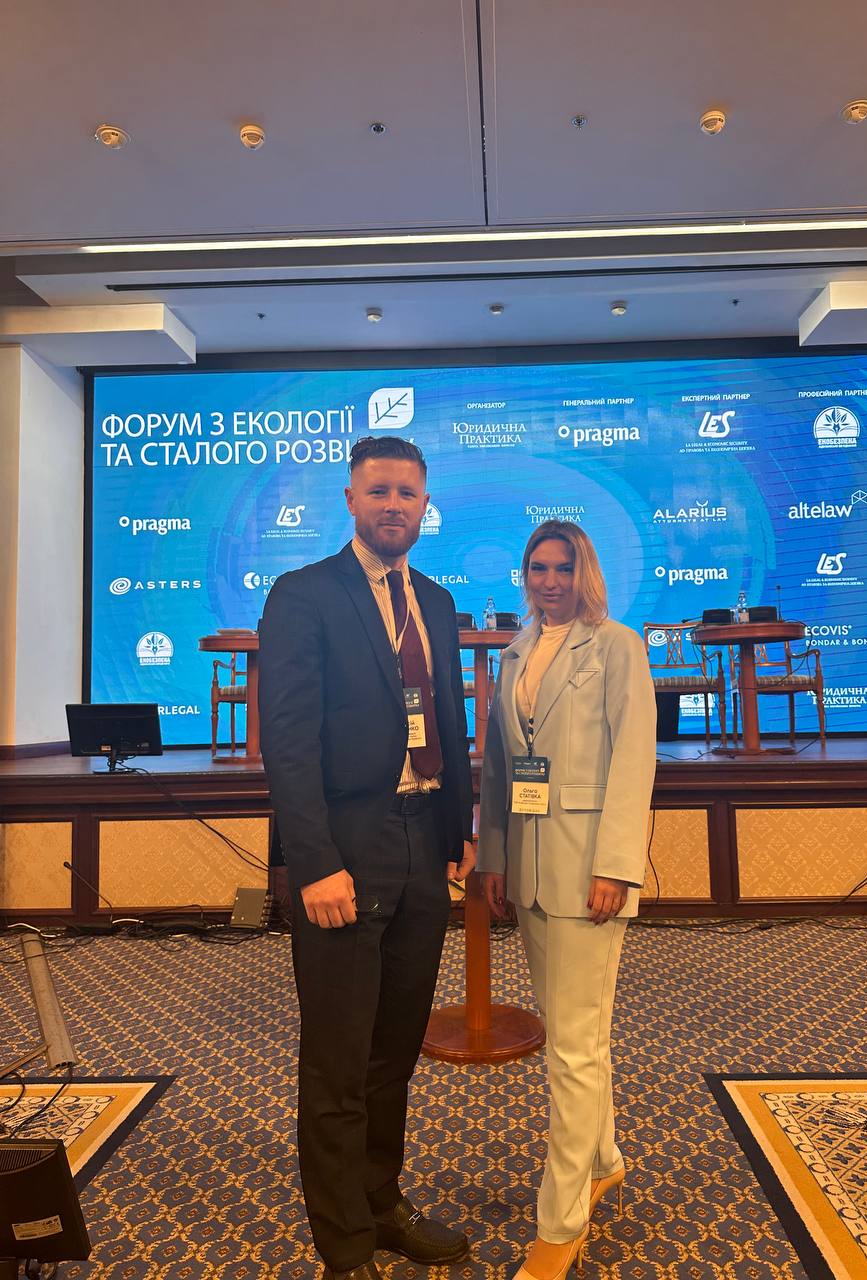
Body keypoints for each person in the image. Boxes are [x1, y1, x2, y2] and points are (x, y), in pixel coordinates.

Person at [258, 435, 476, 1280]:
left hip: (423, 847)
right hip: (345, 850)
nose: (393, 505)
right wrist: (311, 862)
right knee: (339, 1060)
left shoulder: (438, 601)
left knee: (394, 1052)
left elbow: (447, 721)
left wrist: (457, 833)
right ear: (350, 499)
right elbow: (288, 741)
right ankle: (344, 1244)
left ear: (425, 504)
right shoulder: (304, 594)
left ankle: (381, 1204)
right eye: (378, 490)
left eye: (407, 492)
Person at [476, 520, 656, 1280]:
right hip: (528, 871)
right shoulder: (516, 651)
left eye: (563, 568)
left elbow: (634, 761)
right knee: (574, 1035)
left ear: (585, 573)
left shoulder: (617, 646)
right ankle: (604, 1159)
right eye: (538, 569)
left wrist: (616, 866)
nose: (550, 582)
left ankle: (561, 1221)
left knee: (574, 1049)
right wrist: (492, 856)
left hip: (589, 875)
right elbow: (498, 765)